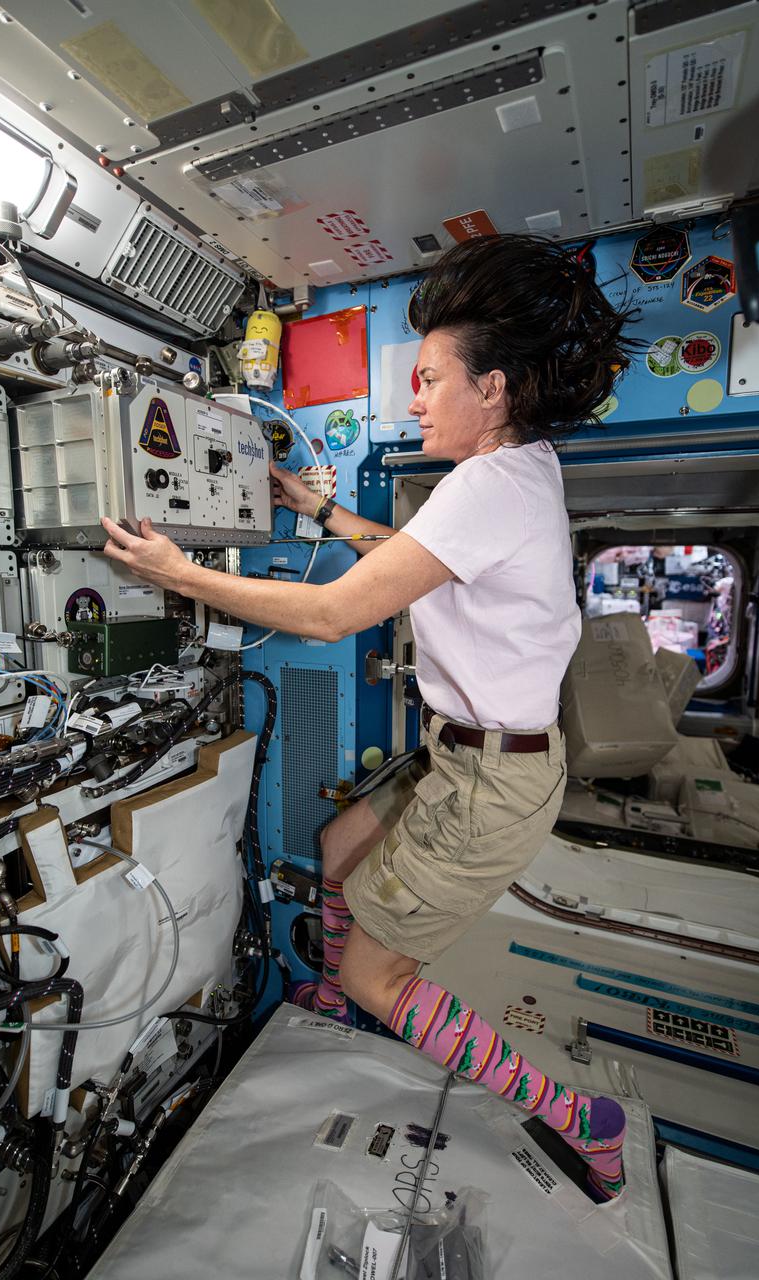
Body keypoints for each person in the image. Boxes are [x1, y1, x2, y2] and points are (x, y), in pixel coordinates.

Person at [101, 234, 639, 1202]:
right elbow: (416, 554)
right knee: (344, 835)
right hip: (476, 759)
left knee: (374, 975)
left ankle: (577, 1118)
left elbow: (333, 611)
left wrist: (181, 574)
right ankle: (338, 1001)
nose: (413, 399)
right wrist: (319, 512)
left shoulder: (487, 483)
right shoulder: (523, 470)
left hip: (489, 784)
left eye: (430, 378)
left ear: (496, 389)